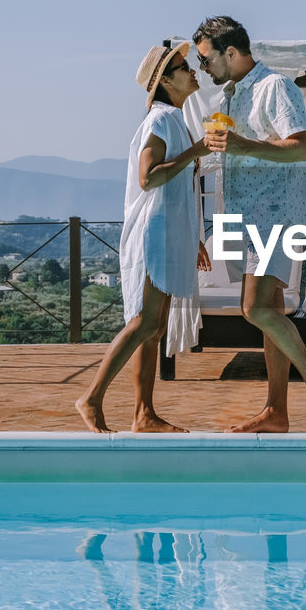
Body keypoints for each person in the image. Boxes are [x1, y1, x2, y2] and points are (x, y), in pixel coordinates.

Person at [193, 15, 306, 434]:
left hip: (276, 216)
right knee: (270, 309)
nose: (204, 69)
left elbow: (305, 148)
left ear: (231, 53)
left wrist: (241, 144)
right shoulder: (230, 97)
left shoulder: (275, 87)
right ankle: (276, 411)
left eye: (206, 59)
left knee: (253, 308)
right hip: (247, 219)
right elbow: (241, 153)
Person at [75, 42, 210, 433]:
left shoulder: (174, 119)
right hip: (154, 234)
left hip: (169, 233)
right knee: (144, 322)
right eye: (184, 67)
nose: (193, 70)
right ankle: (92, 397)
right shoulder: (162, 119)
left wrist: (192, 238)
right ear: (166, 80)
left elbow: (177, 189)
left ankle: (143, 414)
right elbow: (148, 177)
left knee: (153, 327)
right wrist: (196, 151)